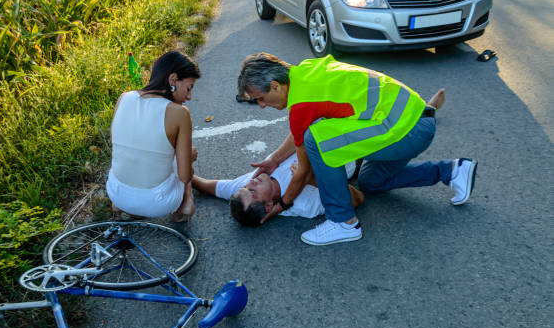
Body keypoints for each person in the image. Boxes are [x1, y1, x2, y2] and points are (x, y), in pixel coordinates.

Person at [237, 53, 478, 246]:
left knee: (317, 141)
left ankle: (343, 221)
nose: (261, 106)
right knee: (371, 181)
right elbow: (299, 130)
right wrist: (275, 161)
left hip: (406, 133)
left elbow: (302, 171)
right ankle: (453, 171)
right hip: (417, 118)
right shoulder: (306, 71)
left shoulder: (300, 104)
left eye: (260, 98)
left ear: (276, 86)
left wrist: (282, 206)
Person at [106, 51, 200, 223]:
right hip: (158, 204)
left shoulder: (124, 98)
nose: (189, 96)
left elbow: (115, 140)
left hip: (116, 193)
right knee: (186, 155)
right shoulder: (180, 113)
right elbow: (185, 176)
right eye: (189, 87)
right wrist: (187, 157)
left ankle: (123, 207)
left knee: (136, 151)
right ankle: (186, 204)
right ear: (173, 80)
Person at [193, 153, 364, 226]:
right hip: (351, 150)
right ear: (268, 206)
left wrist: (181, 176)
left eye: (246, 187)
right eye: (253, 192)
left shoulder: (249, 183)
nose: (251, 183)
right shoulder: (304, 203)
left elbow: (209, 186)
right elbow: (357, 198)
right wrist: (311, 179)